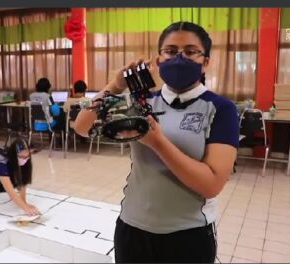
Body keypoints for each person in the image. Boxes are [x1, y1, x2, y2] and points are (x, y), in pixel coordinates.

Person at [74, 21, 239, 263]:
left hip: (188, 235)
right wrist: (115, 85)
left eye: (190, 51)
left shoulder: (221, 108)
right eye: (171, 51)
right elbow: (82, 126)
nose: (180, 58)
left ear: (205, 61)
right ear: (159, 59)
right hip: (132, 227)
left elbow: (211, 184)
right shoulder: (143, 102)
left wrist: (157, 142)